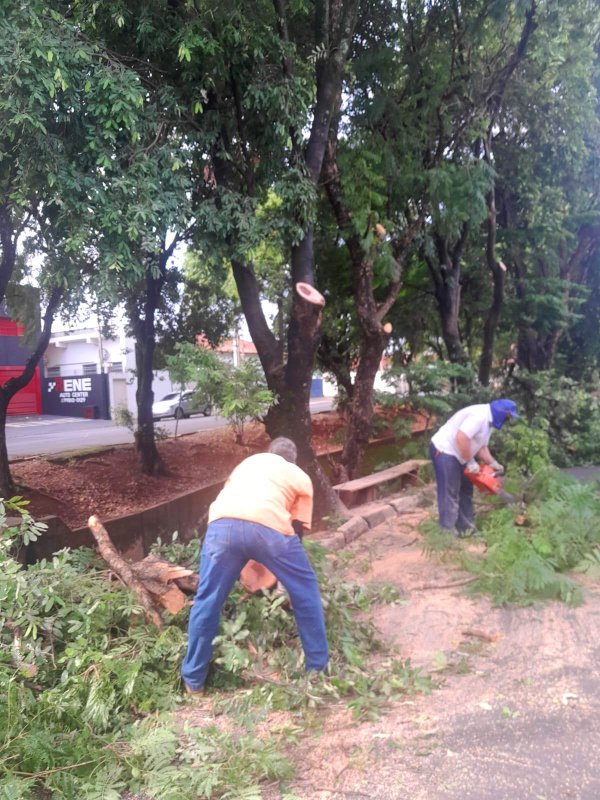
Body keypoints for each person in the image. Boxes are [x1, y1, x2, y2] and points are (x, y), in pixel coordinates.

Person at [181, 436, 329, 694]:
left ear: (269, 452)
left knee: (207, 599)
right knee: (306, 592)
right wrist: (287, 582)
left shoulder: (248, 463)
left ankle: (193, 681)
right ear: (293, 461)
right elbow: (294, 532)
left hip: (220, 527)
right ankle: (317, 670)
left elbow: (237, 515)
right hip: (269, 531)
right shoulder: (299, 476)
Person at [429, 399, 519, 536]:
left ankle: (466, 529)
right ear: (502, 412)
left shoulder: (489, 423)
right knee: (450, 492)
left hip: (460, 453)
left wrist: (493, 463)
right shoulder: (479, 416)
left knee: (466, 490)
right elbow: (461, 437)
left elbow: (481, 447)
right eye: (508, 416)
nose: (508, 420)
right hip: (445, 450)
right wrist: (470, 461)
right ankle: (446, 535)